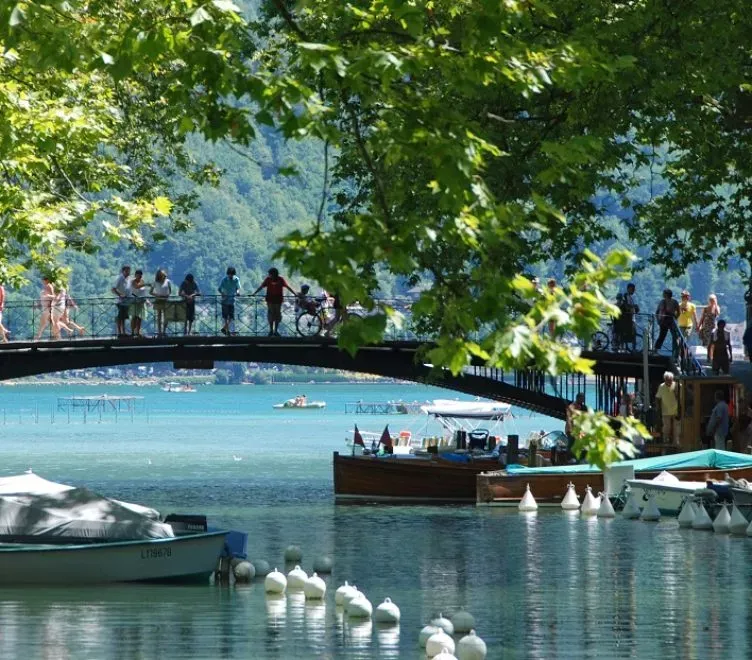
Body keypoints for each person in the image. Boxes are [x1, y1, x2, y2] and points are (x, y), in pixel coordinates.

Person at [252, 267, 296, 336]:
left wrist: (294, 293)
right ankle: (271, 330)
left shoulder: (280, 279)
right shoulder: (268, 279)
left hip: (278, 300)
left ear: (274, 274)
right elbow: (261, 286)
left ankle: (275, 331)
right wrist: (254, 293)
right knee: (271, 314)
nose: (269, 275)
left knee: (277, 314)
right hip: (270, 300)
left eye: (270, 274)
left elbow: (287, 287)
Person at [655, 371, 679, 446]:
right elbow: (658, 398)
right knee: (666, 428)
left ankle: (676, 443)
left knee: (676, 429)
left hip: (676, 411)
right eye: (668, 380)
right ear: (665, 379)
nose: (670, 382)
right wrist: (658, 410)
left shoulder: (677, 385)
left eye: (671, 380)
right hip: (665, 411)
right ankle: (666, 443)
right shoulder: (661, 386)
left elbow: (682, 395)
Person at [654, 289, 679, 354]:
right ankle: (675, 352)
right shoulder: (674, 302)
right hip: (668, 321)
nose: (662, 294)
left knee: (669, 336)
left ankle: (675, 352)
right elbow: (678, 312)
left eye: (664, 293)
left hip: (665, 321)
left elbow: (657, 312)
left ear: (666, 294)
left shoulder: (663, 302)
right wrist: (675, 318)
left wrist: (658, 320)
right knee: (672, 336)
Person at [218, 267, 241, 336]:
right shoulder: (224, 280)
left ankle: (224, 328)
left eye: (232, 274)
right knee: (225, 316)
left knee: (231, 316)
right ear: (228, 274)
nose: (231, 276)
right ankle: (227, 331)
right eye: (230, 274)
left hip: (232, 300)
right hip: (225, 300)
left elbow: (238, 288)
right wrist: (223, 294)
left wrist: (237, 292)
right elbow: (219, 289)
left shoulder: (236, 279)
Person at [698, 294, 721, 361]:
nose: (711, 301)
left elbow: (718, 313)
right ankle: (709, 356)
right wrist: (699, 326)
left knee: (713, 342)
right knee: (709, 343)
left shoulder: (717, 308)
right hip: (706, 327)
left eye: (713, 300)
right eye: (710, 300)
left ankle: (712, 356)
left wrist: (715, 304)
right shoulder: (705, 308)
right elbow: (702, 318)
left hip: (713, 327)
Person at [565, 393, 587, 461]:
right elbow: (569, 419)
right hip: (571, 430)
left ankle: (577, 459)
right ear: (578, 398)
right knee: (571, 445)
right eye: (582, 398)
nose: (583, 400)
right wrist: (571, 430)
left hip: (579, 430)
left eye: (584, 398)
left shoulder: (583, 407)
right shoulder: (571, 407)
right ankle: (569, 460)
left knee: (579, 445)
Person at [111, 265, 131, 337]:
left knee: (124, 317)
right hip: (120, 301)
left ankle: (123, 332)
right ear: (123, 271)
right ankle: (120, 333)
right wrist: (120, 295)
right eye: (126, 271)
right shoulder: (119, 278)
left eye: (129, 271)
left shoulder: (128, 279)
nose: (128, 272)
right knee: (120, 317)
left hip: (126, 301)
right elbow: (113, 289)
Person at [150, 269, 172, 336]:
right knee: (159, 316)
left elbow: (170, 291)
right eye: (162, 275)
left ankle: (164, 331)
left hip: (166, 300)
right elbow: (150, 292)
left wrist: (168, 295)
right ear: (159, 276)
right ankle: (159, 332)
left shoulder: (168, 281)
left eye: (164, 275)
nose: (164, 276)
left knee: (166, 316)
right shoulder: (155, 282)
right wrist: (157, 295)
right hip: (158, 300)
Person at [129, 269, 148, 337]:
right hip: (134, 301)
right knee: (134, 317)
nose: (139, 276)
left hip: (141, 301)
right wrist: (145, 284)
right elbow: (136, 287)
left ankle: (138, 332)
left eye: (140, 275)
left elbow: (144, 292)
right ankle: (132, 332)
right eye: (138, 275)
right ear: (135, 275)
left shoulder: (142, 281)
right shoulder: (132, 281)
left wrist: (146, 300)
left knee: (140, 317)